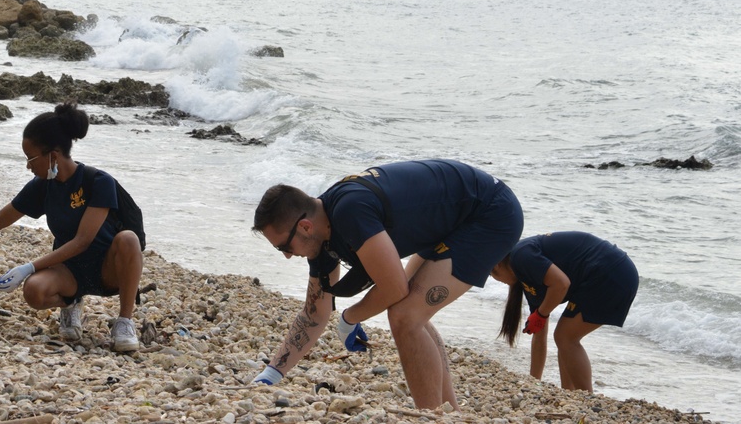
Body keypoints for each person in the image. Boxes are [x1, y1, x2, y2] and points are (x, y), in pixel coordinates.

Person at [250, 159, 524, 411]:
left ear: (306, 227)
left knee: (405, 315)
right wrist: (271, 373)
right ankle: (446, 412)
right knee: (410, 311)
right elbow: (314, 314)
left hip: (489, 212)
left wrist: (350, 317)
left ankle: (431, 416)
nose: (287, 255)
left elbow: (394, 288)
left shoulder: (349, 212)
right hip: (452, 220)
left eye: (284, 246)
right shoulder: (322, 235)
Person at [0, 102, 143, 352]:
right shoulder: (43, 185)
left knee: (128, 239)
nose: (28, 166)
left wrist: (29, 267)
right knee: (34, 292)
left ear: (53, 155)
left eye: (31, 158)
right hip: (72, 271)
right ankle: (71, 304)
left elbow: (83, 240)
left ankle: (124, 321)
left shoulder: (98, 182)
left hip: (109, 269)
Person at [490, 230, 639, 392]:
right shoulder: (527, 278)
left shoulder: (520, 256)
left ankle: (585, 399)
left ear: (497, 264)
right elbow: (539, 334)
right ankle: (568, 393)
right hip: (606, 273)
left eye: (491, 274)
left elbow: (562, 283)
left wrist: (541, 314)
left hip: (611, 272)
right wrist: (533, 382)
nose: (497, 280)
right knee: (565, 337)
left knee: (565, 337)